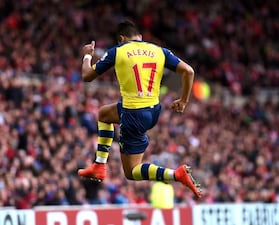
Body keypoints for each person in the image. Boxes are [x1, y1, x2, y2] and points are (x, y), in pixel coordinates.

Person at [78, 20, 201, 198]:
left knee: (132, 171)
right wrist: (183, 101)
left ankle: (176, 174)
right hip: (153, 110)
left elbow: (87, 76)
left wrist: (87, 56)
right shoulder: (159, 51)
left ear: (121, 39)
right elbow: (188, 71)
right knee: (104, 113)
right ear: (140, 38)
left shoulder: (118, 51)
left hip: (133, 114)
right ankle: (99, 165)